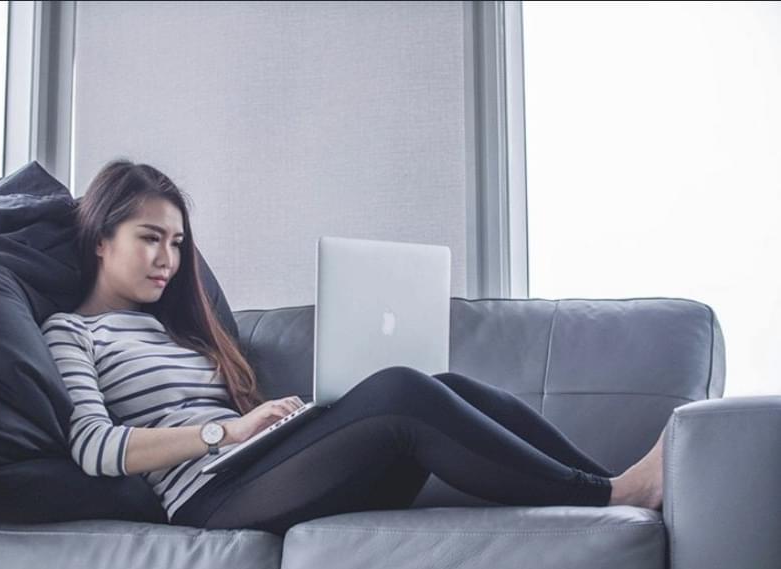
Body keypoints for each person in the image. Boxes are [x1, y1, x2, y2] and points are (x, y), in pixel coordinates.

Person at [41, 159, 665, 537]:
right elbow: (94, 448)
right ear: (100, 238)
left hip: (259, 469)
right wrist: (224, 434)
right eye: (152, 238)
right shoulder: (71, 332)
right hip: (207, 498)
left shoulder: (177, 329)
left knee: (443, 385)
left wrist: (284, 425)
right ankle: (611, 495)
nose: (169, 260)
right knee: (400, 391)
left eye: (178, 243)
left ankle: (609, 487)